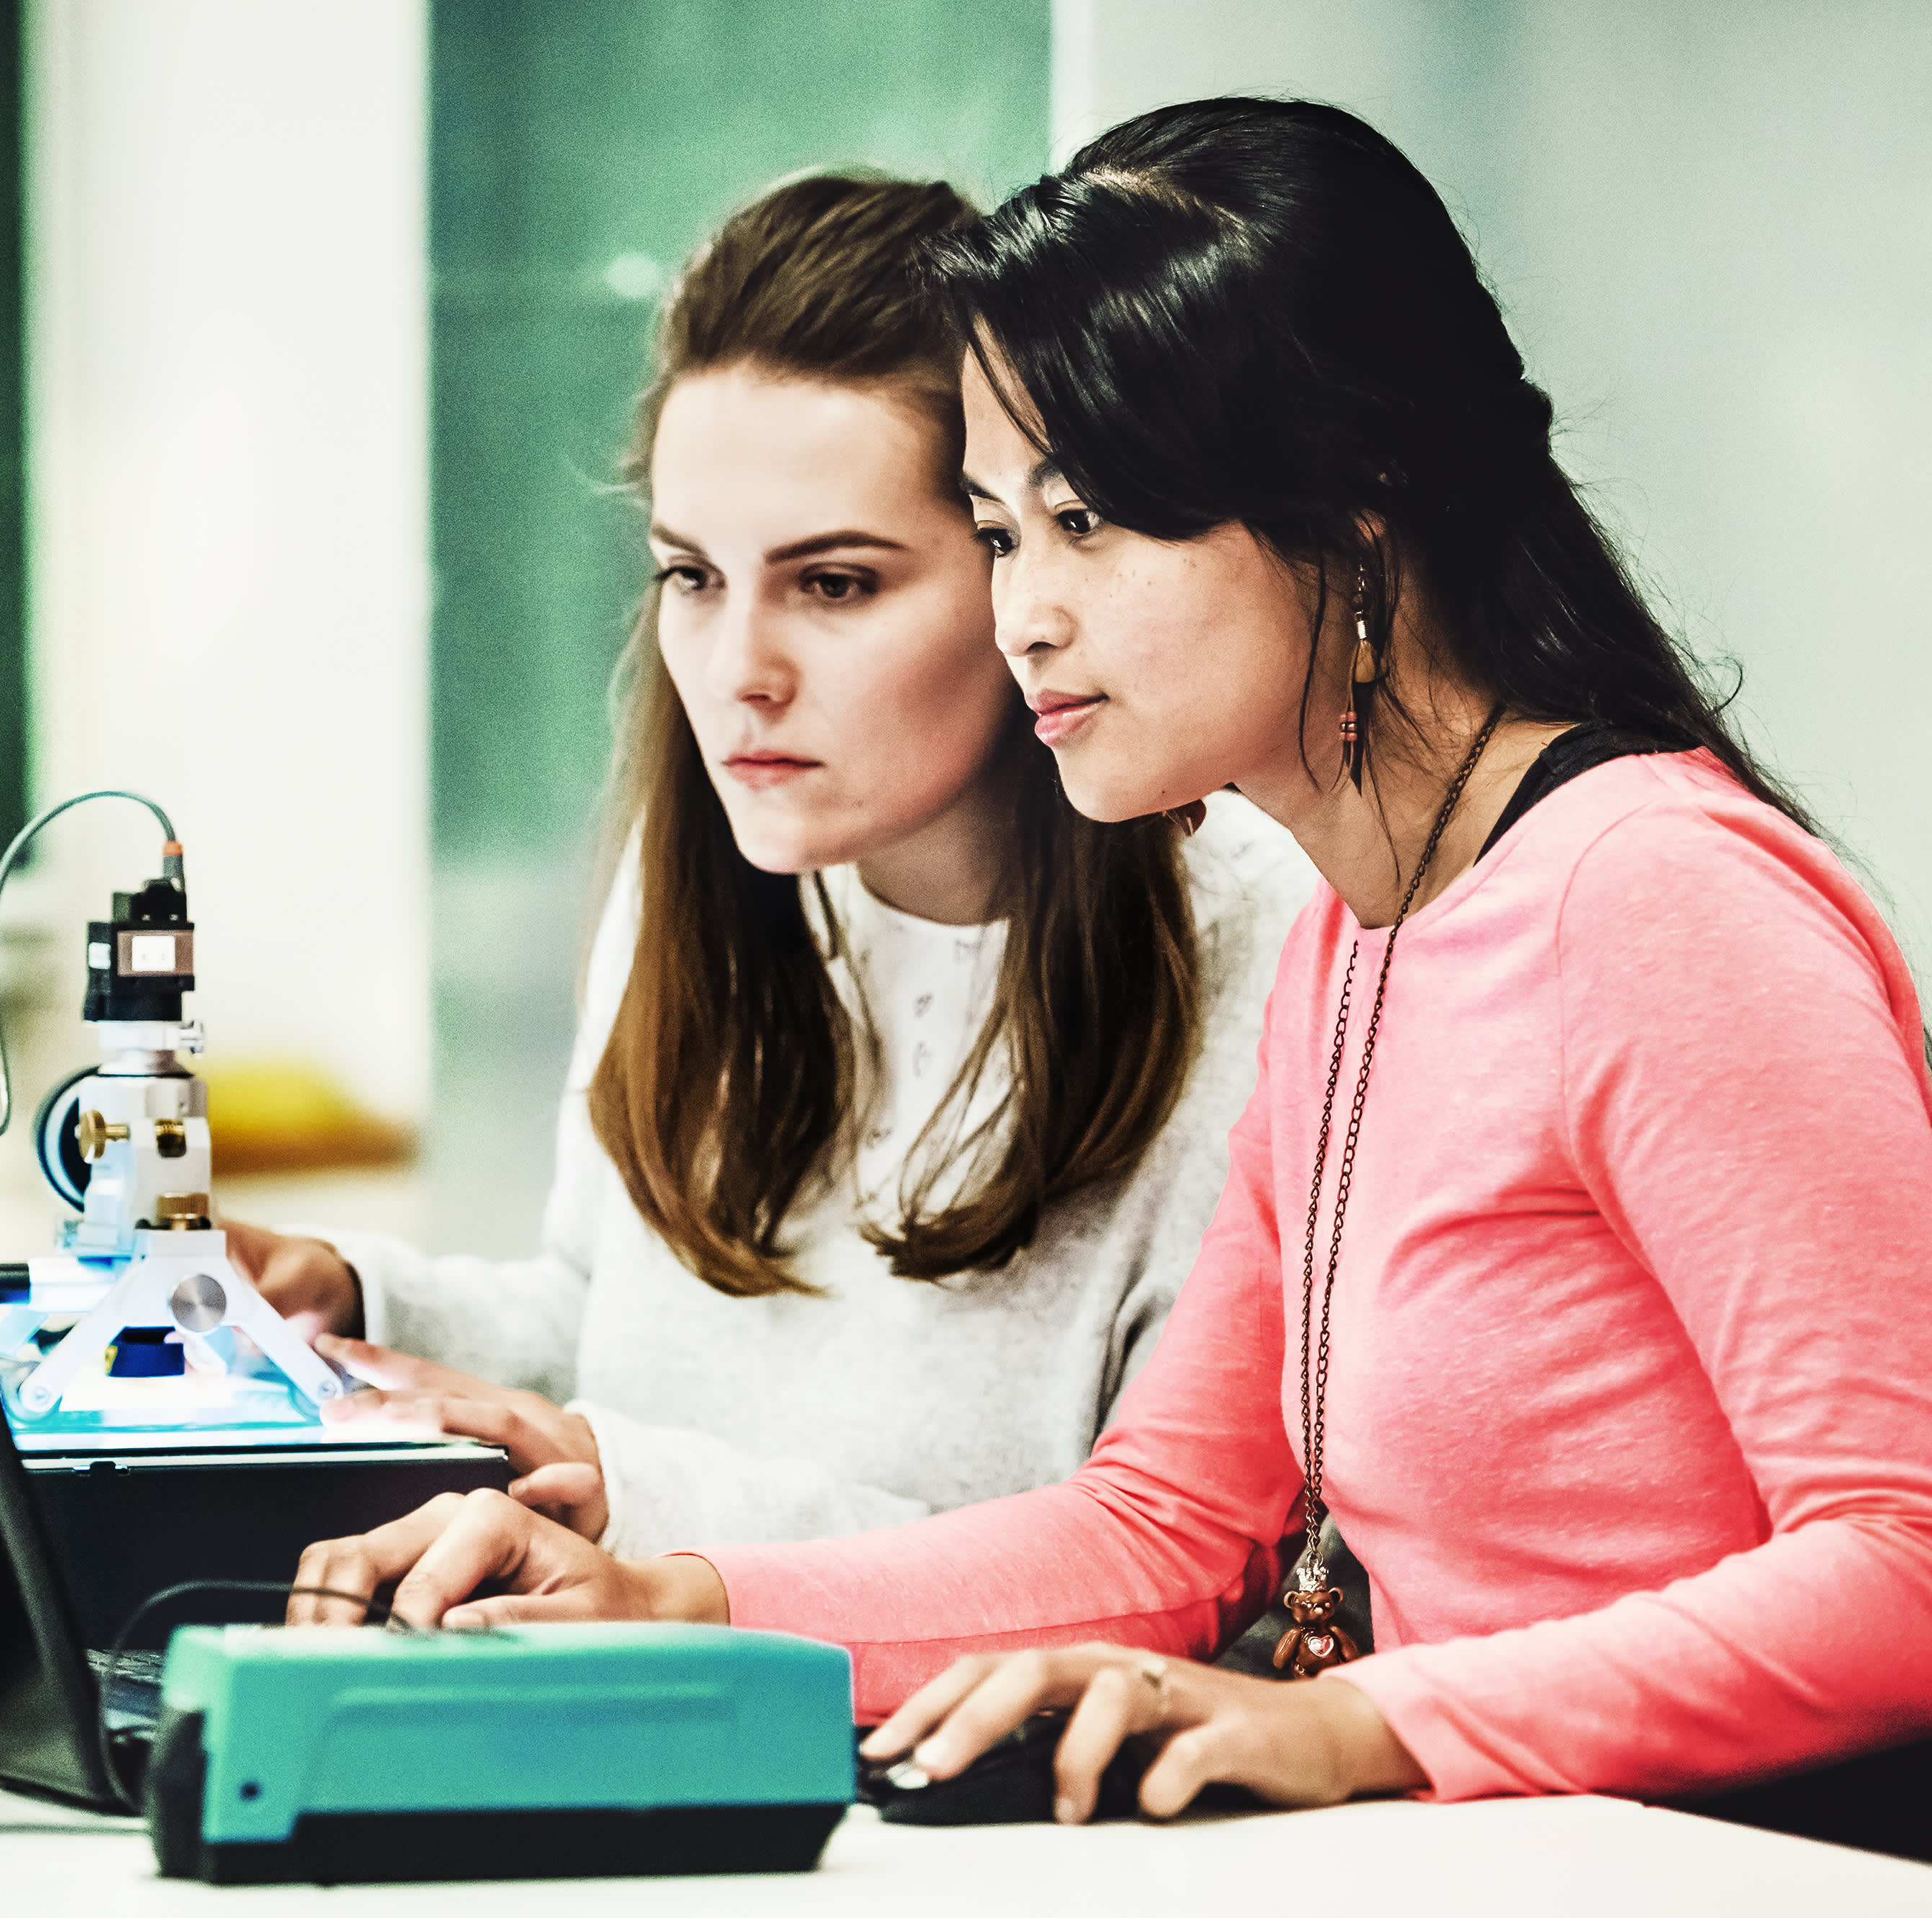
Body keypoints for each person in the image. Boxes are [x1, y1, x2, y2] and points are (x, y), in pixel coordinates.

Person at [284, 101, 1932, 1850]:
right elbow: (1159, 1524)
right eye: (998, 534)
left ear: (1350, 523)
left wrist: (1359, 1723)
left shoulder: (1651, 898)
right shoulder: (1353, 935)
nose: (1024, 618)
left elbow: (1904, 1558)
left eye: (1086, 524)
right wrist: (666, 1599)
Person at [229, 173, 1313, 1557]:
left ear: (1014, 567)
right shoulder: (711, 865)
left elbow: (1141, 1571)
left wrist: (631, 1489)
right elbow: (608, 1322)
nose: (739, 674)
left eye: (835, 583)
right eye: (692, 576)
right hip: (640, 1684)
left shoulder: (1270, 961)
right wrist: (354, 1301)